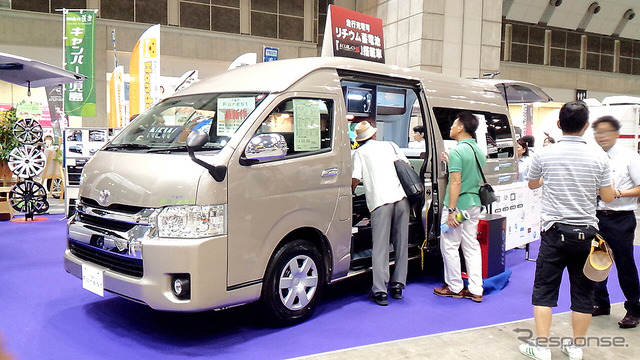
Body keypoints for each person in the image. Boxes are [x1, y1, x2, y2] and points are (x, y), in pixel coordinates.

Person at [519, 101, 615, 360]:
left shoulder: (544, 154)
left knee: (544, 291)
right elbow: (607, 196)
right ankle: (575, 348)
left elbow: (531, 184)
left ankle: (541, 348)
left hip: (554, 232)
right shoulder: (600, 156)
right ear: (586, 126)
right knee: (584, 293)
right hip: (586, 234)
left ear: (559, 125)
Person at [351, 121, 410, 306]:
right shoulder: (391, 145)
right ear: (374, 134)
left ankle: (380, 291)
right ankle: (398, 286)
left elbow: (355, 178)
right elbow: (406, 167)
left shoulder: (360, 152)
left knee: (380, 247)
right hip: (401, 199)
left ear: (360, 140)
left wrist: (349, 193)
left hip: (380, 202)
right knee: (401, 243)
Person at [591, 115, 640, 329]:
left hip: (621, 218)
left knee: (624, 263)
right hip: (596, 216)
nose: (601, 136)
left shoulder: (629, 157)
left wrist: (617, 193)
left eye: (605, 132)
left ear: (616, 134)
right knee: (597, 261)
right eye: (597, 132)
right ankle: (601, 303)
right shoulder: (593, 156)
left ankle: (634, 309)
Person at [433, 111, 484, 303]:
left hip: (458, 207)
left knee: (450, 245)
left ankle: (454, 286)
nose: (452, 127)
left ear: (461, 127)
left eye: (454, 124)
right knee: (471, 245)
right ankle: (476, 288)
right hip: (474, 204)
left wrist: (452, 211)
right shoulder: (477, 150)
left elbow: (456, 181)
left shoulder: (457, 151)